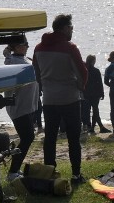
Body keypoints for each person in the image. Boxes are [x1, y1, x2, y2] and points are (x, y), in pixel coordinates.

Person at [32, 14, 88, 185]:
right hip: (70, 98)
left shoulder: (38, 48)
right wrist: (80, 86)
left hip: (49, 99)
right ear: (64, 28)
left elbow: (36, 73)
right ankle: (76, 174)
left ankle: (50, 171)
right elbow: (82, 72)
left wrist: (43, 87)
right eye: (71, 27)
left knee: (50, 137)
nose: (72, 30)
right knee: (73, 138)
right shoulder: (70, 48)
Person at [1, 36, 39, 181]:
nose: (27, 46)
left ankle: (15, 170)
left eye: (28, 44)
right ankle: (12, 172)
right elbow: (8, 60)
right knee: (28, 137)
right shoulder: (13, 62)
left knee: (27, 137)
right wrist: (8, 52)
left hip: (28, 107)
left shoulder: (24, 60)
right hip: (19, 107)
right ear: (16, 47)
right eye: (24, 44)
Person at [83, 55, 111, 134]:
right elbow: (99, 83)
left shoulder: (84, 70)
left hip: (86, 93)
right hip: (95, 94)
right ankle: (94, 127)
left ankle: (90, 126)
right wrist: (102, 93)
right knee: (95, 110)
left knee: (88, 111)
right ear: (93, 61)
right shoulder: (96, 71)